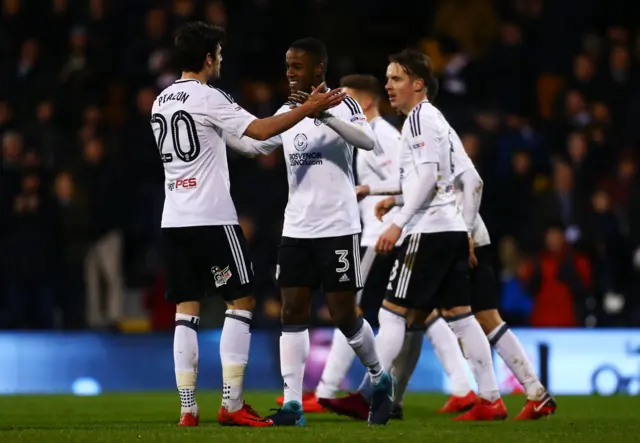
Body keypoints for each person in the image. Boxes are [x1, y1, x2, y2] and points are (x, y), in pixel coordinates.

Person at [151, 22, 346, 428]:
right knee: (240, 303)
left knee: (185, 310)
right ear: (207, 58)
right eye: (218, 52)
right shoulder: (209, 96)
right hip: (212, 220)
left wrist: (282, 123)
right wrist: (308, 109)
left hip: (174, 220)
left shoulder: (161, 101)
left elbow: (249, 144)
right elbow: (256, 130)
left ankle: (188, 408)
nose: (221, 58)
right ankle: (232, 403)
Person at [321, 48, 507, 422]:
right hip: (450, 229)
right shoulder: (435, 120)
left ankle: (366, 394)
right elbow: (467, 179)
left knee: (391, 312)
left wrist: (400, 220)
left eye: (396, 78)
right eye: (388, 78)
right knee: (460, 316)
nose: (388, 85)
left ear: (418, 84)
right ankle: (490, 399)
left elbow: (424, 179)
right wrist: (464, 229)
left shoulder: (419, 120)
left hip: (429, 230)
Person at [225, 38, 394, 426]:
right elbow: (258, 146)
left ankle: (379, 378)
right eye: (287, 66)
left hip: (337, 227)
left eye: (297, 67)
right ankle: (293, 405)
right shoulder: (287, 110)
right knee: (292, 312)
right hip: (297, 228)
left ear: (318, 69)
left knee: (344, 316)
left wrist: (324, 114)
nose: (290, 73)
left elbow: (367, 141)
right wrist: (222, 129)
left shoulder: (343, 102)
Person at [379, 129, 557, 420]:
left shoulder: (442, 151)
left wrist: (467, 233)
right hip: (460, 240)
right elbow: (439, 193)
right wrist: (395, 200)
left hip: (460, 242)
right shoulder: (435, 156)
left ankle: (499, 396)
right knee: (436, 317)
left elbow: (469, 185)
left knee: (422, 316)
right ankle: (533, 393)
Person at [272, 74, 404, 413]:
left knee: (356, 312)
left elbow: (409, 178)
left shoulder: (383, 133)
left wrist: (378, 197)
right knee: (413, 315)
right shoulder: (292, 111)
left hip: (374, 232)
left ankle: (356, 384)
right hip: (321, 230)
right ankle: (302, 399)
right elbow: (259, 140)